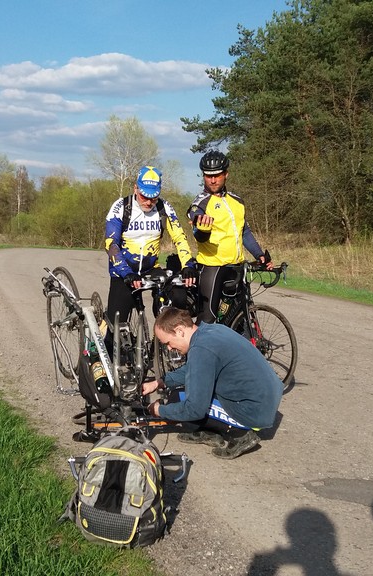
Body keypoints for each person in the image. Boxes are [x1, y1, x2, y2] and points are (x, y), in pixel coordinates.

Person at [141, 307, 282, 459]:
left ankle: (240, 434)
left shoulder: (201, 348)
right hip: (265, 398)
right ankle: (211, 431)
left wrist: (160, 410)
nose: (169, 348)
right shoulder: (210, 331)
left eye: (168, 342)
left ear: (180, 331)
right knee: (181, 393)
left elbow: (194, 409)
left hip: (254, 412)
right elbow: (193, 369)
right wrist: (160, 382)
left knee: (177, 400)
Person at [103, 166, 197, 353]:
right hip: (124, 270)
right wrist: (126, 272)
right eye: (144, 196)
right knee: (116, 323)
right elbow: (111, 244)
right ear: (135, 188)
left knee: (178, 296)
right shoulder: (121, 207)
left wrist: (188, 265)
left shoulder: (163, 208)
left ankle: (161, 340)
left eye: (153, 197)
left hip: (150, 268)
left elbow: (179, 238)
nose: (148, 202)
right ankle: (103, 352)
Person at [188, 150, 274, 324]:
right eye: (208, 176)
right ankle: (195, 342)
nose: (213, 180)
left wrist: (259, 254)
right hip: (213, 267)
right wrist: (202, 229)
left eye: (217, 175)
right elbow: (198, 230)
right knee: (208, 319)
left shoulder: (237, 201)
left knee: (239, 317)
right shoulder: (200, 203)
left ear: (226, 174)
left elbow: (244, 232)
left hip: (236, 267)